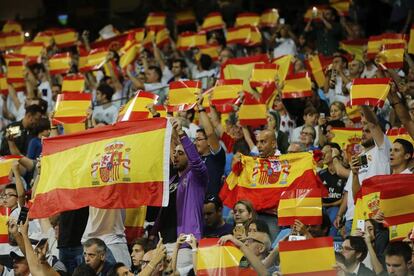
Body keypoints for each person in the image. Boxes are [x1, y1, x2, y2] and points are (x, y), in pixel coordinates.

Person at [335, 106, 391, 235]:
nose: (363, 133)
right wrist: (340, 215)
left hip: (373, 214)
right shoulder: (359, 158)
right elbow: (349, 190)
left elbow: (374, 124)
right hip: (352, 217)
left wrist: (363, 105)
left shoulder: (382, 151)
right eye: (363, 130)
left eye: (368, 131)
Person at [195, 96, 226, 195]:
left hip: (211, 205)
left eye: (199, 139)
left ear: (208, 142)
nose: (196, 143)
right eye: (195, 140)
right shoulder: (194, 159)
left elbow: (210, 133)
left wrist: (200, 108)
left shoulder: (217, 157)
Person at [319, 143, 347, 235]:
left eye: (325, 153)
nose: (322, 156)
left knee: (334, 213)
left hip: (337, 208)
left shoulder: (344, 173)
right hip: (321, 207)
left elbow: (344, 199)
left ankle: (331, 242)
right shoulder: (320, 174)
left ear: (334, 153)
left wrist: (329, 204)